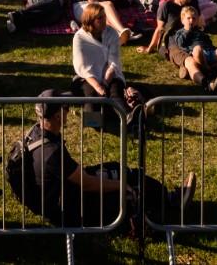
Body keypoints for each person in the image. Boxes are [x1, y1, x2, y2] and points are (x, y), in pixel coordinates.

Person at [10, 89, 194, 228]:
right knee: (125, 188)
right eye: (66, 107)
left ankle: (164, 198)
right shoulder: (51, 153)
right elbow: (88, 183)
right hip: (68, 208)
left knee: (116, 169)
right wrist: (120, 185)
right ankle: (168, 204)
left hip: (62, 192)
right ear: (57, 115)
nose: (69, 110)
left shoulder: (35, 133)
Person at [169, 5, 217, 89]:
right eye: (189, 18)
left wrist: (214, 49)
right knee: (197, 48)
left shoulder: (200, 32)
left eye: (194, 18)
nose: (191, 20)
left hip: (210, 53)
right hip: (197, 55)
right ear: (182, 20)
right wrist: (188, 30)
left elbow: (209, 43)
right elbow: (180, 43)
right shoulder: (180, 32)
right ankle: (209, 74)